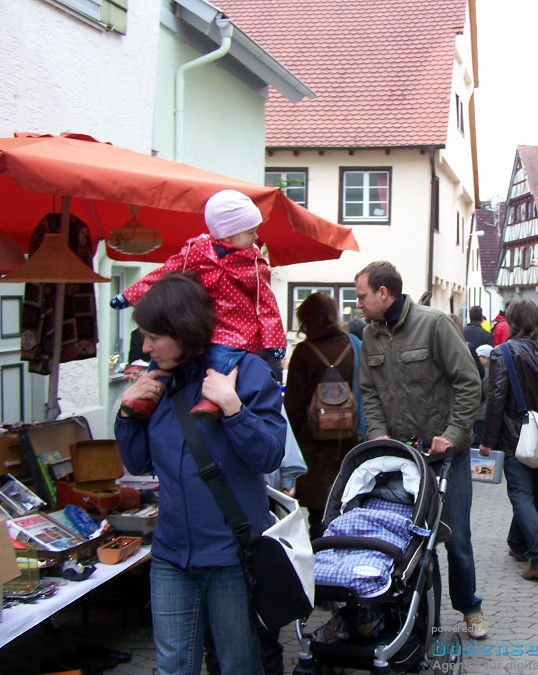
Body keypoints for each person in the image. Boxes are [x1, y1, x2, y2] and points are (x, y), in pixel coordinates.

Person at [114, 272, 286, 675]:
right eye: (144, 335)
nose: (146, 346)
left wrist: (232, 408)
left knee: (238, 665)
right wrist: (127, 412)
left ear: (183, 330)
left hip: (230, 557)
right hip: (171, 555)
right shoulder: (160, 380)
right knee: (173, 667)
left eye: (154, 336)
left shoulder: (244, 372)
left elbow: (270, 455)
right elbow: (139, 463)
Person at [354, 261, 486, 639]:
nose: (358, 303)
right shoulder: (371, 334)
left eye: (362, 295)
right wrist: (378, 435)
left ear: (383, 293)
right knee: (416, 540)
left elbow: (468, 381)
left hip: (448, 455)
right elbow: (370, 392)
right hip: (404, 459)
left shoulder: (434, 325)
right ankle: (428, 618)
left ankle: (470, 607)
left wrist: (454, 433)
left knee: (456, 538)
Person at [111, 190, 286, 420]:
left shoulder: (253, 262)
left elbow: (266, 303)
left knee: (223, 358)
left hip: (233, 329)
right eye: (251, 232)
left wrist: (274, 342)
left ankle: (213, 399)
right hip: (192, 323)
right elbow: (165, 273)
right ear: (230, 236)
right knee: (161, 359)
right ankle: (146, 399)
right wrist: (129, 295)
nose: (256, 238)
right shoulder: (196, 252)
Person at [479, 299, 538, 581]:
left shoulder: (502, 353)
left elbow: (496, 399)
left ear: (512, 321)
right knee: (532, 492)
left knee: (521, 494)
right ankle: (518, 543)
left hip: (516, 435)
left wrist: (487, 440)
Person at [284, 292, 364, 539]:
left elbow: (293, 406)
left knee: (318, 518)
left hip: (313, 448)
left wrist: (290, 446)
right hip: (349, 443)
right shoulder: (354, 346)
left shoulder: (303, 352)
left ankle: (319, 570)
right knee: (346, 508)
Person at [473, 344, 493, 448]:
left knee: (476, 443)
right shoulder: (496, 371)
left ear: (485, 358)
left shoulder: (483, 373)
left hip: (479, 414)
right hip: (489, 414)